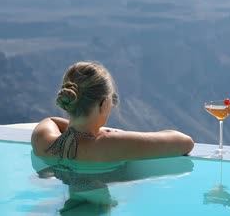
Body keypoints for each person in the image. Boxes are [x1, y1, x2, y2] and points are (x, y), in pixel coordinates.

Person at [31, 61, 194, 162]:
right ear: (103, 103)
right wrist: (106, 133)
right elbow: (185, 142)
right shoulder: (110, 143)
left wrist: (84, 129)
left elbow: (50, 121)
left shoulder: (43, 140)